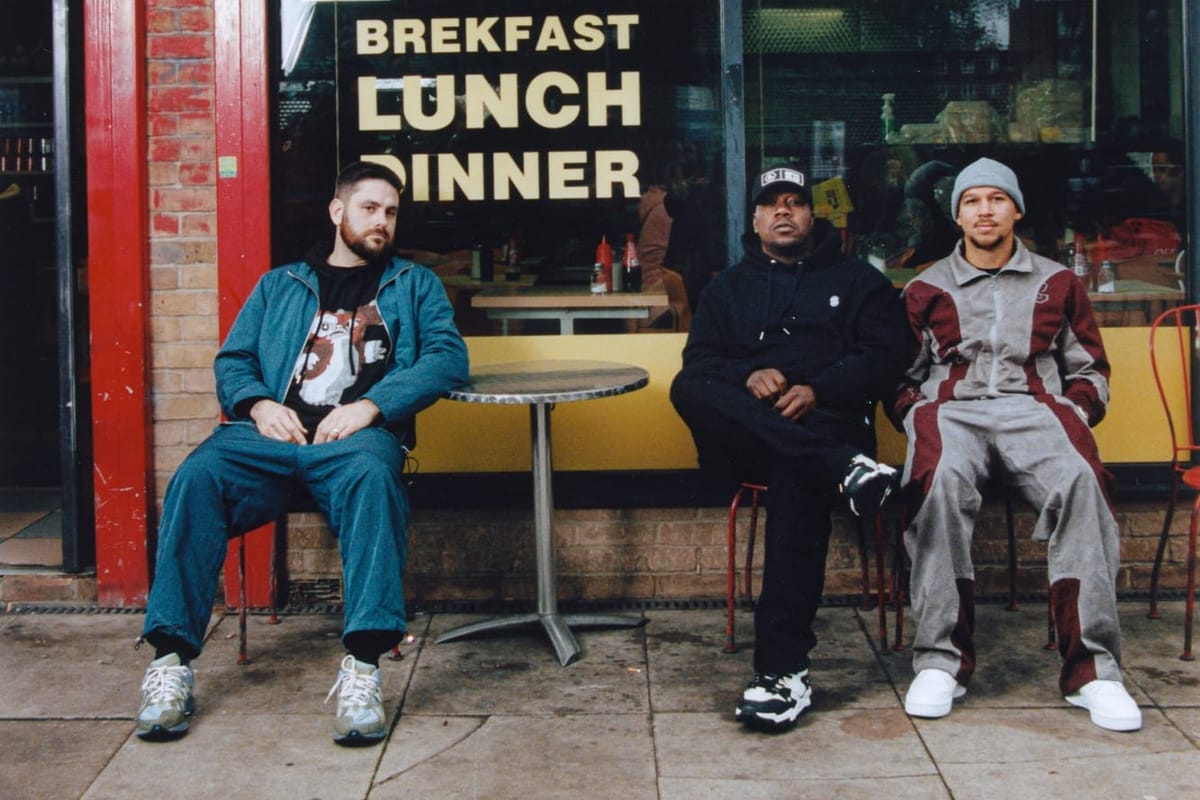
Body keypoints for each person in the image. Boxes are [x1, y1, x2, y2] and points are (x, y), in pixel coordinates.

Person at [134, 161, 469, 745]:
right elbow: (233, 360)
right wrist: (260, 405)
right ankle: (169, 664)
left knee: (372, 479)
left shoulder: (415, 285)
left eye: (390, 212)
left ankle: (364, 667)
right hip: (268, 440)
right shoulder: (280, 285)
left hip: (355, 443)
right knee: (198, 476)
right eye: (369, 208)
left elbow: (446, 357)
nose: (381, 222)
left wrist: (373, 407)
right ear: (338, 212)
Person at [892, 157, 1142, 732]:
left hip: (1035, 410)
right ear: (955, 214)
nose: (984, 210)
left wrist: (1074, 410)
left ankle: (1093, 672)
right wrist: (916, 414)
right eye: (971, 201)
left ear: (1016, 209)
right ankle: (940, 661)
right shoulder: (926, 287)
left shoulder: (1058, 281)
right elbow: (901, 376)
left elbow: (1090, 370)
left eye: (996, 199)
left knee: (1085, 482)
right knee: (936, 486)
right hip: (952, 412)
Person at [670, 165, 910, 731]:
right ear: (753, 219)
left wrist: (818, 388)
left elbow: (886, 356)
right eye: (771, 204)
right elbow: (700, 364)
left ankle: (781, 674)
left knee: (796, 481)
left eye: (795, 202)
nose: (783, 211)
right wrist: (749, 374)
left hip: (830, 422)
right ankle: (844, 471)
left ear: (811, 214)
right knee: (690, 386)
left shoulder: (858, 281)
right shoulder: (726, 288)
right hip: (760, 437)